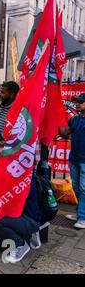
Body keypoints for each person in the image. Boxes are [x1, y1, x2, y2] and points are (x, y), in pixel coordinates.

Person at [60, 93, 85, 229]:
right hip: (74, 158)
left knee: (84, 188)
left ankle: (82, 217)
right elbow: (64, 133)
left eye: (81, 102)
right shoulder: (74, 119)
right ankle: (80, 213)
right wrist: (59, 118)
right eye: (77, 101)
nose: (78, 104)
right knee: (76, 187)